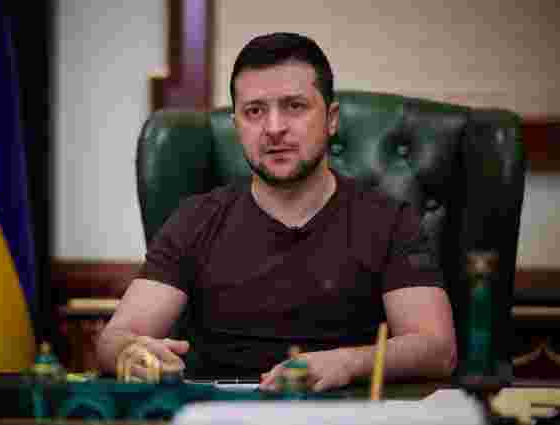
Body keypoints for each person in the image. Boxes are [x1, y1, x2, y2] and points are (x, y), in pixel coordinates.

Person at [97, 32, 457, 391]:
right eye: (254, 111)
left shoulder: (389, 221)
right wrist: (132, 352)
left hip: (346, 407)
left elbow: (437, 349)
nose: (273, 129)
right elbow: (113, 340)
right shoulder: (196, 219)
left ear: (331, 119)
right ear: (237, 125)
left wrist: (348, 363)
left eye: (294, 107)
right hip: (220, 411)